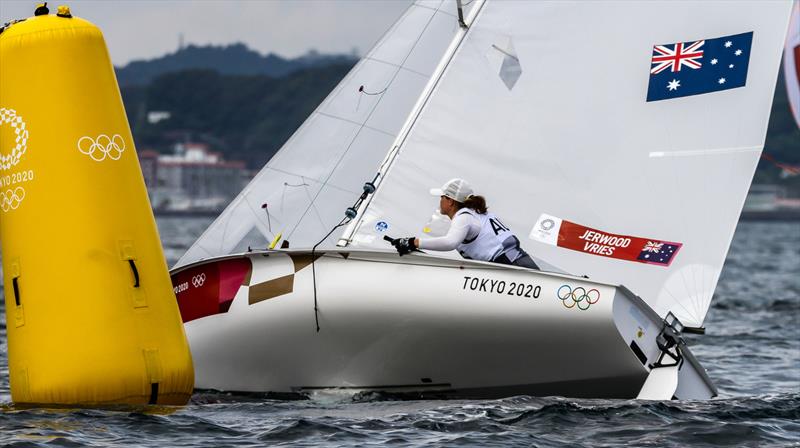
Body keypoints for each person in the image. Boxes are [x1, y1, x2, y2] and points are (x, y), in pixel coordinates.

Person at [390, 178, 539, 269]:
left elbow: (450, 243)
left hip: (511, 265)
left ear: (450, 201)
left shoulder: (464, 218)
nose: (440, 200)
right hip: (517, 262)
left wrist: (413, 242)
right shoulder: (476, 213)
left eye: (442, 197)